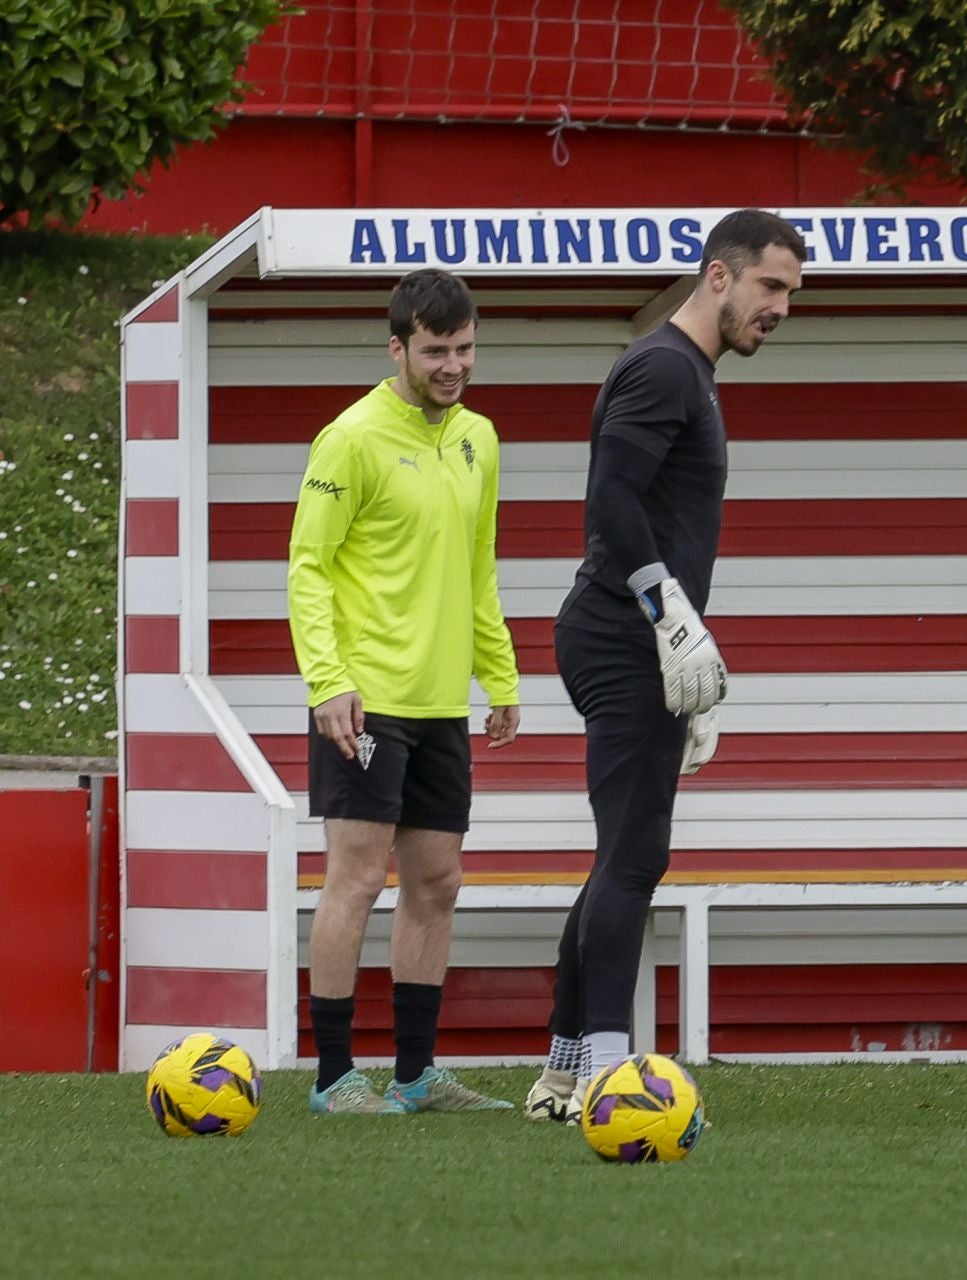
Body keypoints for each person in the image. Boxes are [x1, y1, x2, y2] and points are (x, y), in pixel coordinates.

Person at [524, 210, 806, 1123]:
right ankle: (611, 1071)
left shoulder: (688, 371)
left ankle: (566, 1069)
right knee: (639, 853)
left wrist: (680, 632)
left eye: (793, 293)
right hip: (619, 632)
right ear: (718, 277)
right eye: (771, 287)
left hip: (631, 634)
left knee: (622, 852)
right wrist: (665, 611)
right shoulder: (663, 365)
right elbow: (609, 493)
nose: (782, 309)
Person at [290, 268, 522, 1115]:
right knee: (355, 879)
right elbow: (308, 569)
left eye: (464, 349)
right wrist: (328, 682)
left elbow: (478, 567)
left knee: (438, 881)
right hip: (363, 700)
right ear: (398, 349)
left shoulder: (481, 438)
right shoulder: (349, 437)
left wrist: (498, 675)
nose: (453, 365)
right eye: (435, 351)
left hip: (440, 703)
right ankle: (333, 1079)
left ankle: (417, 1077)